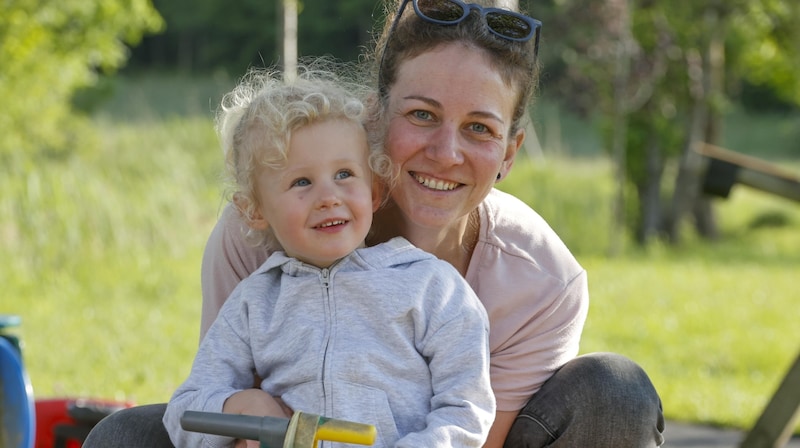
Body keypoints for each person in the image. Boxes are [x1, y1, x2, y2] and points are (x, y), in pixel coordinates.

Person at [85, 0, 666, 446]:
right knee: (124, 435)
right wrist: (240, 407)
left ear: (510, 153)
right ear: (374, 115)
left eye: (480, 129)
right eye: (421, 115)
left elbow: (473, 429)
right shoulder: (260, 237)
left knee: (615, 391)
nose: (445, 152)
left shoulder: (539, 277)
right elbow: (211, 397)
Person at [161, 66, 495, 448]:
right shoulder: (256, 302)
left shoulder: (430, 286)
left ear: (373, 190)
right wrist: (243, 406)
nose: (328, 197)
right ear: (254, 210)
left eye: (344, 174)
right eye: (301, 182)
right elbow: (184, 412)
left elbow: (466, 408)